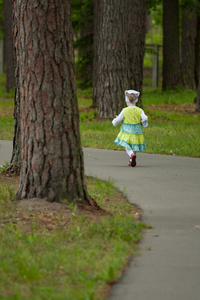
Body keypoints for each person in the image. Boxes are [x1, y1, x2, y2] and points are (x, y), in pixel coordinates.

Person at [112, 89, 148, 167]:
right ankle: (132, 159)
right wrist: (143, 123)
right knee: (134, 145)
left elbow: (118, 119)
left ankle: (131, 155)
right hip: (137, 131)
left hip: (127, 131)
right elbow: (145, 118)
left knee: (127, 146)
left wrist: (114, 122)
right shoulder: (139, 110)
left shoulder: (125, 110)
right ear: (136, 100)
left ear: (127, 100)